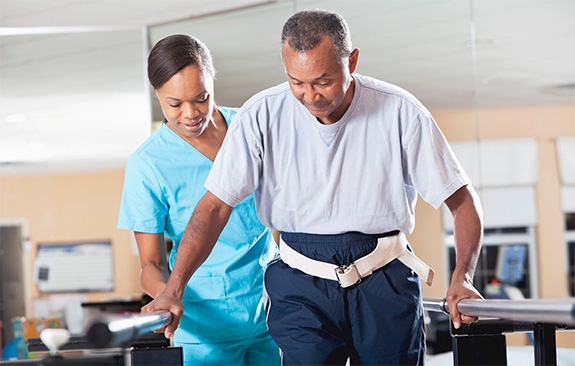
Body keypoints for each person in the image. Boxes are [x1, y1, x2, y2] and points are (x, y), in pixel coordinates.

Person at [145, 10, 484, 365]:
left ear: (351, 61)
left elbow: (462, 202)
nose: (310, 96)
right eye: (297, 82)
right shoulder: (260, 115)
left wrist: (463, 276)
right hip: (299, 283)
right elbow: (214, 207)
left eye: (323, 81)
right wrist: (173, 289)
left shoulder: (401, 112)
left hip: (384, 276)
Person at [117, 34, 280, 365]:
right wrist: (166, 294)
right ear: (158, 95)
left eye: (201, 98)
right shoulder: (147, 164)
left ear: (212, 82)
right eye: (174, 104)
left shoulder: (249, 129)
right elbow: (151, 264)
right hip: (203, 324)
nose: (190, 114)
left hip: (271, 308)